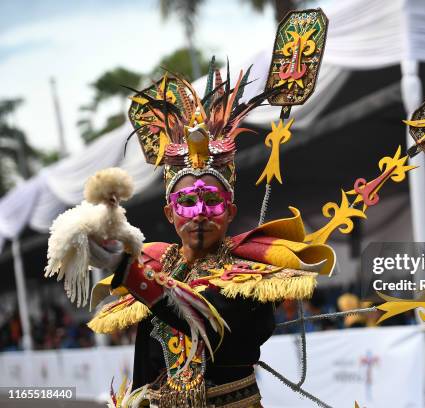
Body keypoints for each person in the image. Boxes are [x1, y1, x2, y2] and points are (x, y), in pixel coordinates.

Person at [85, 70, 335, 407]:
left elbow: (215, 327)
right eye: (186, 202)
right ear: (169, 214)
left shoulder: (254, 272)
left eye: (212, 201)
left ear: (230, 212)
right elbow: (147, 364)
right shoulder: (157, 265)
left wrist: (128, 271)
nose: (200, 211)